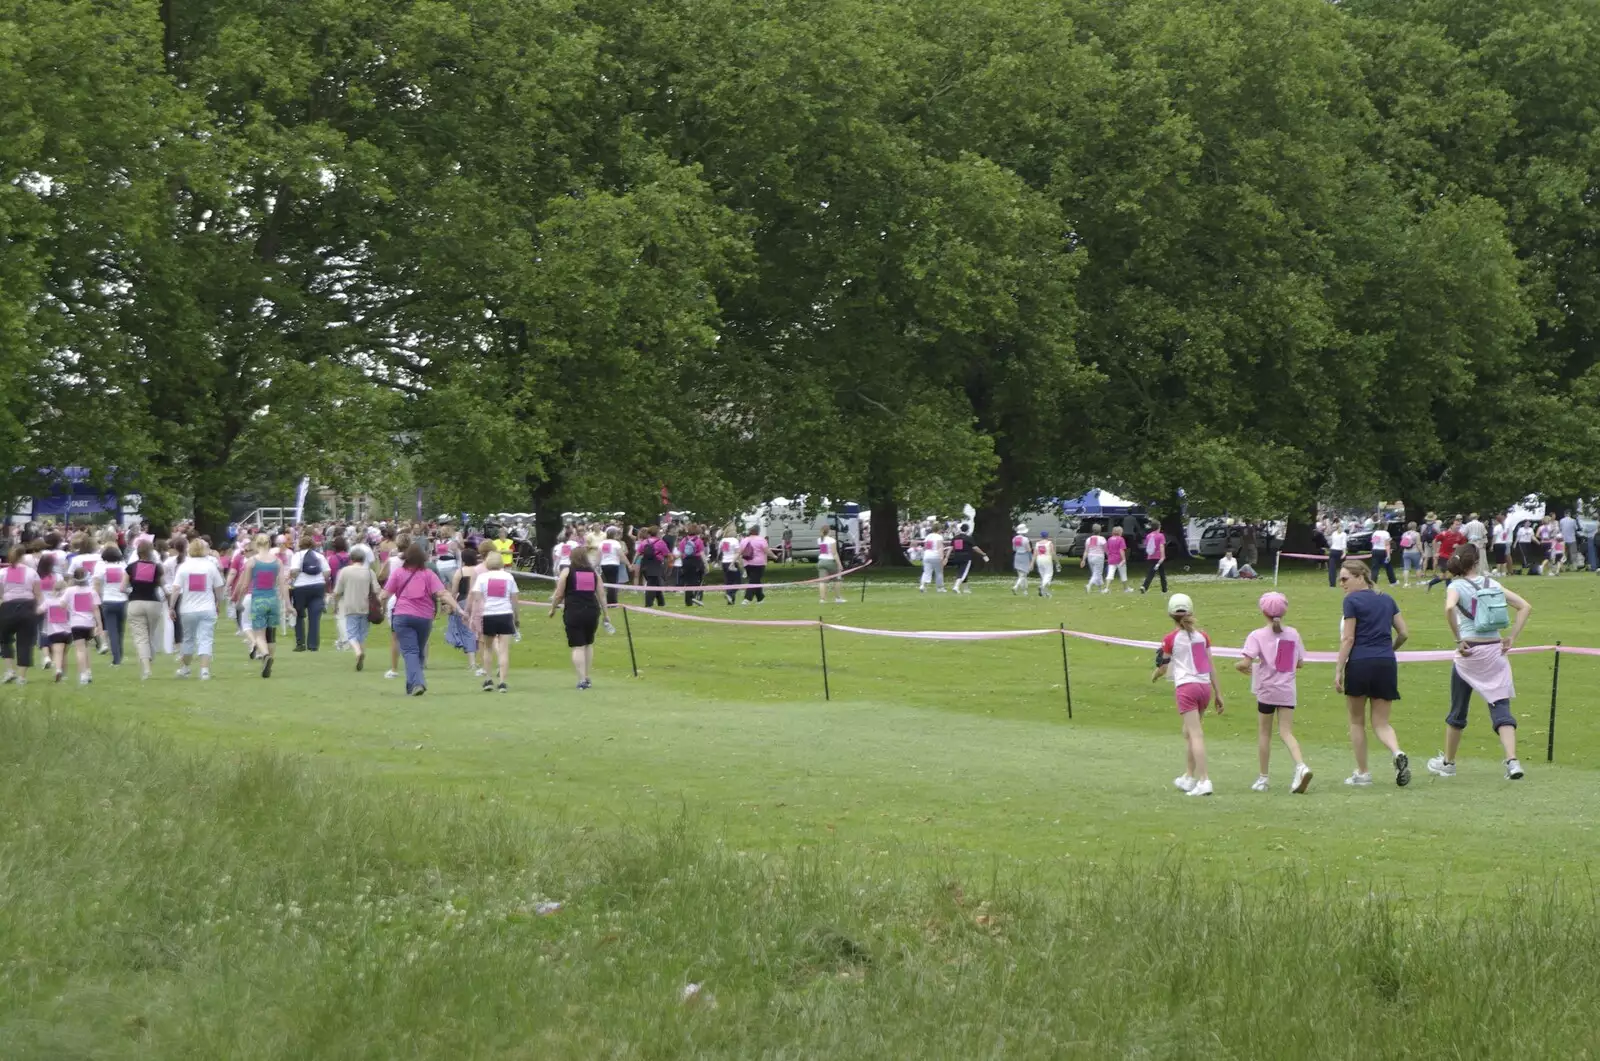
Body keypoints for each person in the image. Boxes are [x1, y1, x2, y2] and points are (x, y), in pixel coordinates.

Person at [1427, 544, 1533, 782]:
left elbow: (1449, 607)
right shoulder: (1492, 584)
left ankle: (1449, 762)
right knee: (1501, 706)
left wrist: (1458, 639)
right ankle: (1512, 760)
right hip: (1494, 651)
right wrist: (1512, 637)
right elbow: (1525, 606)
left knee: (1458, 709)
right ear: (1476, 562)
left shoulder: (1456, 586)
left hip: (1469, 653)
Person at [1335, 559, 1411, 787]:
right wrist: (1389, 649)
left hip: (1359, 662)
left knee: (1357, 722)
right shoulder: (1386, 599)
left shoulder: (1351, 601)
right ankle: (1397, 751)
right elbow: (1404, 633)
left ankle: (1363, 772)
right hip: (1386, 662)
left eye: (1345, 578)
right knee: (1382, 723)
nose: (1342, 584)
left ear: (1360, 577)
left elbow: (1348, 638)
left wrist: (1338, 669)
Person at [1236, 592, 1311, 793]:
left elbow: (1246, 661)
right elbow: (1300, 662)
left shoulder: (1257, 635)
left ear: (1263, 612)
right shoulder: (1293, 634)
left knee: (1264, 733)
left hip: (1267, 691)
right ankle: (1301, 766)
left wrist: (1240, 666)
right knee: (1286, 732)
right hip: (1287, 690)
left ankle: (1263, 778)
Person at [1152, 593, 1224, 797]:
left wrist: (1155, 675)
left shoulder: (1170, 639)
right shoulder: (1203, 637)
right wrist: (1218, 693)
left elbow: (1164, 667)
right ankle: (1188, 776)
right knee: (1189, 732)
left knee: (1195, 734)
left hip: (1186, 687)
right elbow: (1210, 666)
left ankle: (1204, 780)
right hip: (1203, 688)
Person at [381, 542, 466, 697]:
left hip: (402, 615)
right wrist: (458, 608)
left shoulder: (399, 573)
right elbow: (443, 594)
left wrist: (379, 604)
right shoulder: (428, 574)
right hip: (424, 618)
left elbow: (385, 594)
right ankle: (412, 684)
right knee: (418, 652)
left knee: (410, 651)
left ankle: (417, 683)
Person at [171, 539, 226, 680]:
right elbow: (219, 587)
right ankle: (204, 670)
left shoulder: (183, 567)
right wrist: (218, 601)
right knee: (206, 639)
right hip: (207, 607)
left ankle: (185, 668)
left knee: (188, 639)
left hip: (187, 609)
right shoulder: (210, 566)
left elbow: (176, 588)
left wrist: (171, 606)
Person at [549, 544, 603, 688]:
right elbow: (601, 594)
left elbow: (559, 593)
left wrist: (553, 608)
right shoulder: (594, 573)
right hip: (592, 610)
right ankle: (587, 676)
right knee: (588, 643)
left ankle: (582, 678)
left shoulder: (567, 572)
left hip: (574, 610)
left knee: (577, 646)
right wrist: (606, 613)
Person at [237, 534, 287, 678]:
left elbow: (245, 584)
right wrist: (288, 605)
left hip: (258, 599)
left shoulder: (252, 562)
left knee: (259, 634)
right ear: (270, 544)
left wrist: (239, 600)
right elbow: (282, 584)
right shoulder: (277, 562)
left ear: (256, 545)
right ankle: (268, 662)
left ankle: (265, 655)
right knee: (271, 635)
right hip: (273, 599)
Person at [470, 550, 519, 692]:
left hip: (489, 614)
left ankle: (488, 679)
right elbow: (514, 599)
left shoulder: (482, 578)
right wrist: (517, 618)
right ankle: (503, 682)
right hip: (505, 613)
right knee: (503, 650)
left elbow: (478, 598)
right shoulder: (508, 577)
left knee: (487, 648)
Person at [124, 542, 168, 681]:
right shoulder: (157, 568)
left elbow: (122, 587)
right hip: (154, 602)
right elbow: (163, 585)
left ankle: (146, 668)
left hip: (136, 602)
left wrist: (130, 592)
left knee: (140, 637)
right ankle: (149, 660)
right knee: (150, 635)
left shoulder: (131, 568)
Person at [0, 546, 44, 685]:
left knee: (5, 639)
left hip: (8, 606)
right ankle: (22, 677)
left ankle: (9, 670)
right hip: (27, 606)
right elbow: (38, 594)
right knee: (24, 642)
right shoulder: (31, 572)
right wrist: (40, 608)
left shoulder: (2, 573)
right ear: (23, 557)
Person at [332, 545, 377, 671]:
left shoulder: (344, 571)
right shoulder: (369, 572)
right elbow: (377, 589)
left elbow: (337, 592)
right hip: (366, 606)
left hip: (350, 605)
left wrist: (335, 605)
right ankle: (361, 654)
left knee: (351, 633)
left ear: (351, 559)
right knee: (362, 634)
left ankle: (358, 652)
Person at [446, 546, 484, 675]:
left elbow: (454, 591)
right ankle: (481, 660)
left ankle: (472, 662)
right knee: (479, 631)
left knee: (467, 631)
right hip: (479, 602)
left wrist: (451, 605)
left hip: (463, 602)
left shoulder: (460, 572)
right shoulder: (480, 571)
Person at [63, 567, 103, 685]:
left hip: (76, 623)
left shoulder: (70, 591)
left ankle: (83, 674)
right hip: (89, 623)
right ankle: (88, 670)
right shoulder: (92, 591)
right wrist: (99, 624)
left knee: (79, 649)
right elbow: (96, 609)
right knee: (86, 648)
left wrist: (69, 608)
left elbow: (62, 604)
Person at [289, 534, 327, 652]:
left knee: (299, 615)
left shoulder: (297, 555)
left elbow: (294, 571)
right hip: (318, 586)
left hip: (301, 587)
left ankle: (300, 643)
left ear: (300, 545)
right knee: (314, 617)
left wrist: (296, 574)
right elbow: (327, 572)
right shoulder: (319, 556)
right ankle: (313, 645)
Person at [94, 545, 128, 665]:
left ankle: (116, 658)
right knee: (121, 630)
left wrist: (97, 601)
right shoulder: (123, 566)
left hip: (107, 600)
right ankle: (120, 654)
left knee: (111, 630)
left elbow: (97, 585)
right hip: (122, 600)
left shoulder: (101, 568)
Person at [1425, 519, 1466, 590]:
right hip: (1443, 557)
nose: (1458, 526)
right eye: (1456, 525)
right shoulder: (1444, 534)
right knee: (1448, 574)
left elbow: (1464, 546)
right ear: (1451, 525)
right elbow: (1434, 541)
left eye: (1459, 525)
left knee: (1446, 575)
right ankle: (1450, 591)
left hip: (1453, 558)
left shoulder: (1460, 536)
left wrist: (1458, 546)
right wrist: (1436, 552)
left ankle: (1430, 583)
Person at [947, 524, 986, 593]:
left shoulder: (955, 538)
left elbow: (950, 548)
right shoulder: (968, 538)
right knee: (963, 572)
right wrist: (983, 553)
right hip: (966, 557)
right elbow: (975, 548)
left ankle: (966, 589)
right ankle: (956, 586)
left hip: (957, 556)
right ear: (967, 530)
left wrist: (946, 557)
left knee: (962, 571)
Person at [816, 525, 847, 603]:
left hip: (821, 561)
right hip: (830, 562)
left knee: (822, 581)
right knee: (837, 580)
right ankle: (838, 598)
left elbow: (824, 551)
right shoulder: (832, 540)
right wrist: (839, 564)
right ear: (829, 531)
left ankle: (822, 599)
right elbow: (834, 553)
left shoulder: (820, 540)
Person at [679, 523, 707, 607]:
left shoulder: (684, 540)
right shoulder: (698, 541)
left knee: (688, 582)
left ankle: (688, 601)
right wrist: (706, 564)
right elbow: (702, 554)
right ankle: (697, 597)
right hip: (696, 561)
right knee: (698, 580)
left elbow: (681, 553)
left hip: (686, 562)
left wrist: (683, 563)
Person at [739, 526, 769, 603]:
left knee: (755, 580)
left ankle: (760, 598)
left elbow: (741, 551)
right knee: (754, 581)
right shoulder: (761, 540)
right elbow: (766, 550)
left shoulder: (744, 540)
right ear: (758, 531)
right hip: (759, 563)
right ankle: (747, 598)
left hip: (747, 563)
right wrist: (775, 556)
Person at [716, 524, 742, 605]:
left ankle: (730, 600)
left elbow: (720, 552)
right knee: (738, 581)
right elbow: (737, 553)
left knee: (729, 582)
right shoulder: (734, 540)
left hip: (725, 562)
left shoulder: (723, 541)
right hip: (732, 562)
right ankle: (730, 594)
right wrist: (736, 562)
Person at [1140, 524, 1168, 595]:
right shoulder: (1160, 535)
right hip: (1158, 557)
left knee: (1151, 572)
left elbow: (1146, 546)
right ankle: (1164, 589)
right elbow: (1161, 546)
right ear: (1158, 527)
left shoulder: (1148, 536)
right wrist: (1163, 556)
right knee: (1162, 573)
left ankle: (1145, 586)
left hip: (1151, 556)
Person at [918, 525, 947, 593]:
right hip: (935, 555)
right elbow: (939, 547)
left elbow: (925, 547)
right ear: (939, 529)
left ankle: (922, 585)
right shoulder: (939, 537)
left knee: (926, 572)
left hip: (927, 555)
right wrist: (942, 557)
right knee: (939, 572)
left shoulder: (928, 536)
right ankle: (940, 588)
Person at [1081, 524, 1108, 593]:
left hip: (1090, 557)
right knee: (1097, 573)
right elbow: (1106, 550)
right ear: (1100, 530)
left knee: (1095, 573)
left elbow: (1086, 551)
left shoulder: (1088, 539)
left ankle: (1100, 589)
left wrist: (1083, 560)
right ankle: (1089, 585)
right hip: (1099, 557)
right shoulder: (1102, 539)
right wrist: (1109, 556)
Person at [1107, 526, 1132, 591]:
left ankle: (1106, 588)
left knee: (1110, 574)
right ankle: (1126, 588)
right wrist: (1124, 559)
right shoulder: (1121, 539)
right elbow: (1121, 550)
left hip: (1111, 559)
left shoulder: (1109, 539)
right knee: (1123, 574)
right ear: (1120, 532)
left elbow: (1108, 550)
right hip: (1119, 559)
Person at [1009, 524, 1032, 595]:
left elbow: (1014, 549)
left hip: (1017, 556)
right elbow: (1028, 549)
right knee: (1023, 575)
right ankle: (1016, 587)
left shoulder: (1014, 539)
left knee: (1021, 575)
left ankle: (1025, 591)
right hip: (1024, 556)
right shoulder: (1025, 539)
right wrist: (1031, 558)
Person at [1034, 532, 1056, 597]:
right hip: (1047, 559)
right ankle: (1042, 586)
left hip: (1039, 559)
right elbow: (1053, 553)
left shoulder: (1037, 544)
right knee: (1049, 574)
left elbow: (1035, 553)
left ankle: (1045, 592)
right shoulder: (1049, 543)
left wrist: (1032, 562)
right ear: (1047, 536)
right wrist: (1056, 561)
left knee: (1043, 576)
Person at [1326, 523, 1347, 588]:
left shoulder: (1334, 533)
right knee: (1343, 568)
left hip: (1333, 550)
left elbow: (1331, 542)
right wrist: (1344, 553)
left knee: (1332, 568)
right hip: (1338, 551)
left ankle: (1332, 584)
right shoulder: (1343, 534)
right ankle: (1343, 582)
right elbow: (1343, 544)